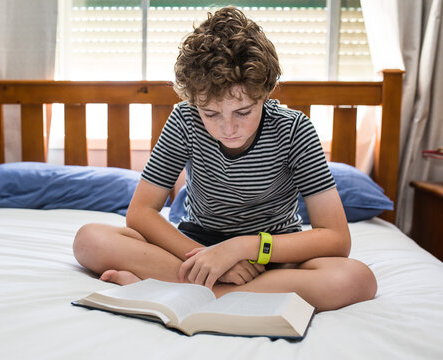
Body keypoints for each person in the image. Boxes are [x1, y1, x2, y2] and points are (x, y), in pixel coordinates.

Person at [73, 7, 377, 312]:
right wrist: (211, 258)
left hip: (271, 255)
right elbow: (140, 213)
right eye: (211, 114)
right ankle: (225, 291)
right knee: (89, 239)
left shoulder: (294, 130)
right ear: (195, 103)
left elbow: (337, 238)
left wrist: (241, 248)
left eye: (243, 112)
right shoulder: (184, 120)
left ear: (265, 92)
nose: (228, 128)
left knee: (357, 278)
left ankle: (180, 290)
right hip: (195, 251)